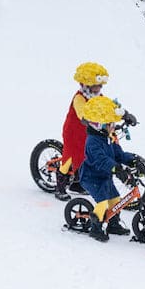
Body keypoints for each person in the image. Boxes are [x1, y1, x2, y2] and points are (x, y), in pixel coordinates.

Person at [55, 61, 138, 200]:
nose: (98, 88)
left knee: (95, 156)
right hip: (75, 132)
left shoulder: (99, 98)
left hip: (95, 132)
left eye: (100, 86)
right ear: (85, 85)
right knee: (71, 158)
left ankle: (79, 183)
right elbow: (82, 113)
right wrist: (90, 121)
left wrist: (124, 114)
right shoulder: (79, 98)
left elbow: (111, 107)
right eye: (95, 86)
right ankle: (60, 186)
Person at [77, 95, 141, 241]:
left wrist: (132, 160)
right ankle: (96, 228)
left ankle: (113, 224)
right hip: (92, 177)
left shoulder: (108, 138)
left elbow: (118, 154)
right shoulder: (92, 143)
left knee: (115, 199)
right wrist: (117, 169)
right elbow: (101, 160)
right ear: (98, 125)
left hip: (105, 177)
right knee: (102, 202)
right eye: (110, 124)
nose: (113, 127)